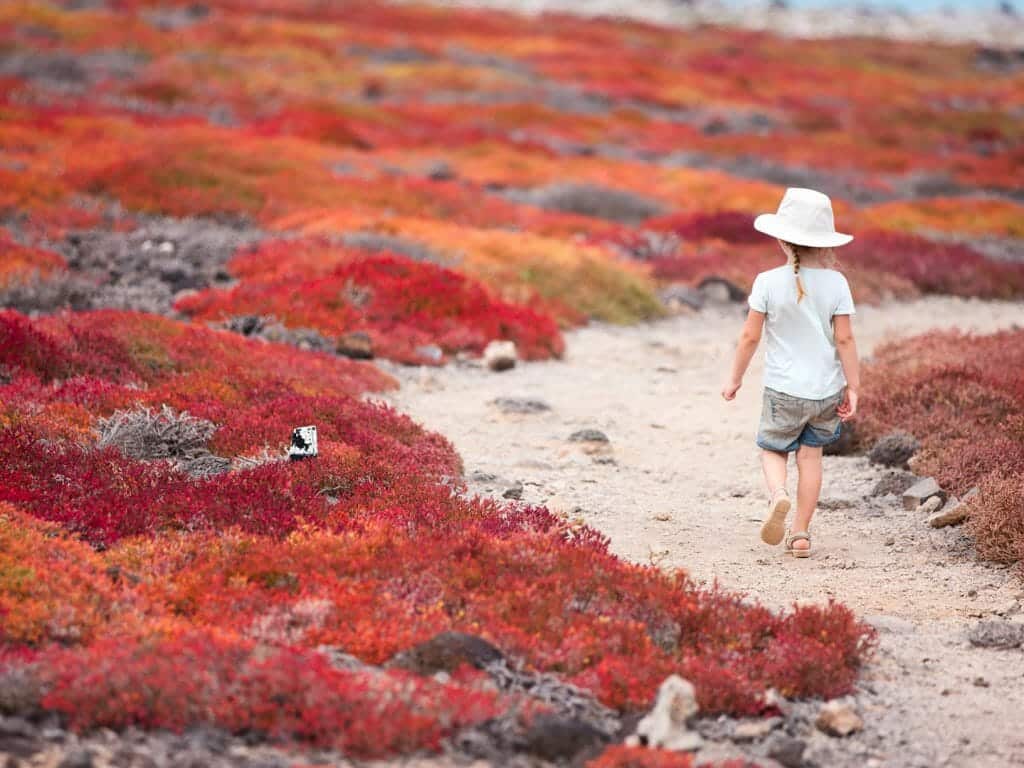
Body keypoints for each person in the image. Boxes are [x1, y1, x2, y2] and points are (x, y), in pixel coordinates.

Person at [720, 188, 860, 558]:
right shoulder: (837, 283)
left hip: (783, 389)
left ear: (782, 239)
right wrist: (854, 386)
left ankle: (778, 494)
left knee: (772, 449)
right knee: (811, 459)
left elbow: (750, 337)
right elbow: (845, 339)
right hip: (825, 391)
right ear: (825, 244)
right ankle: (800, 534)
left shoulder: (767, 281)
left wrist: (735, 378)